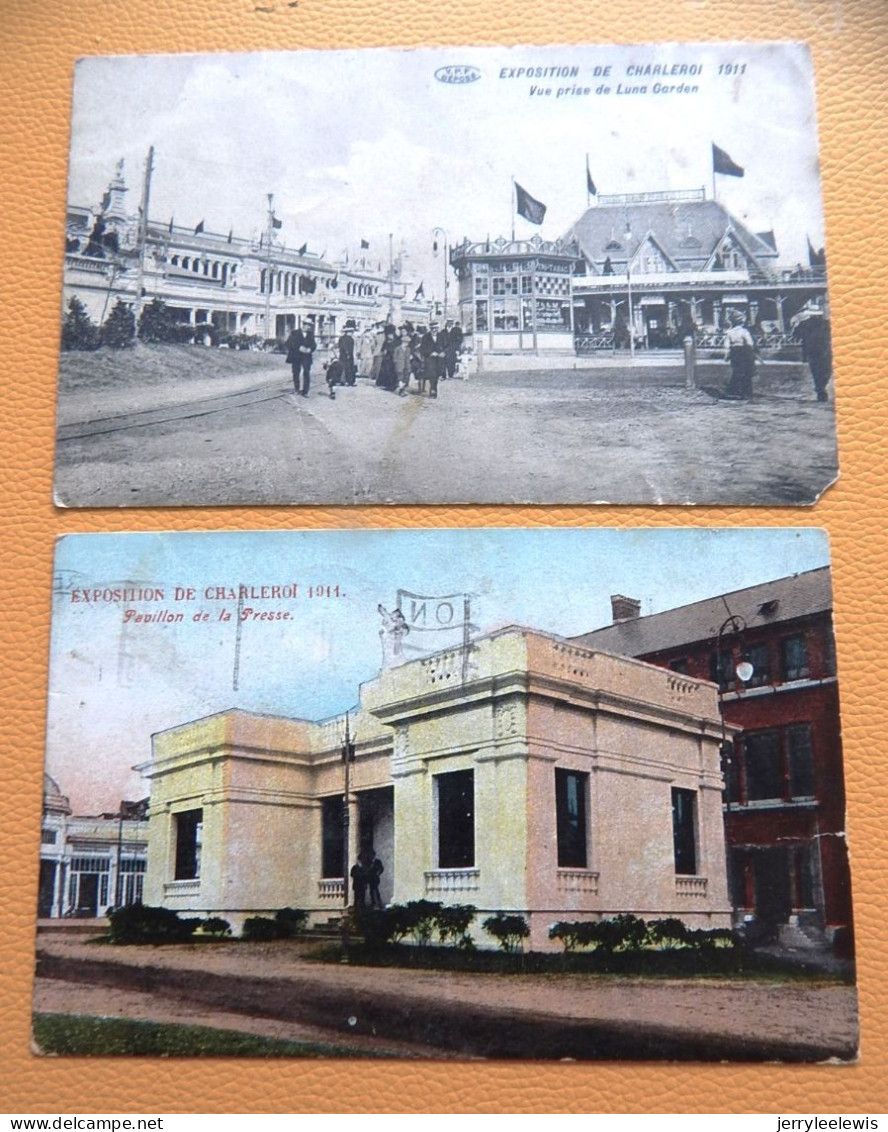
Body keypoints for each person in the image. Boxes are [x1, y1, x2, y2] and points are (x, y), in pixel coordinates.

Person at [791, 300, 833, 402]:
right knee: (827, 369)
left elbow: (795, 336)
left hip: (811, 350)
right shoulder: (827, 323)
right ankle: (822, 386)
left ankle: (819, 389)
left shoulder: (803, 324)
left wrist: (795, 325)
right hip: (826, 349)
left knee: (815, 370)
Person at [722, 308, 757, 399]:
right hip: (744, 352)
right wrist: (752, 352)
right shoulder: (744, 332)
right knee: (746, 372)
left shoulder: (729, 333)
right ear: (742, 322)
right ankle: (746, 393)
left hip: (734, 352)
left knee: (736, 371)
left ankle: (734, 391)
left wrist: (726, 355)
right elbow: (750, 343)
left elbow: (726, 345)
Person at [285, 317, 317, 397]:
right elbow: (288, 343)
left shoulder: (310, 334)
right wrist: (298, 348)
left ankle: (305, 391)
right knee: (296, 372)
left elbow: (314, 345)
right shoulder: (295, 333)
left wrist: (310, 349)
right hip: (296, 356)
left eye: (310, 325)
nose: (309, 327)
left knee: (306, 372)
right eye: (308, 325)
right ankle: (297, 388)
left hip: (306, 357)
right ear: (304, 325)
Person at [420, 322, 445, 398]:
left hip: (439, 359)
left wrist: (443, 352)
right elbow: (422, 349)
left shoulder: (441, 336)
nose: (434, 330)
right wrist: (430, 353)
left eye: (436, 328)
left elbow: (447, 346)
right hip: (430, 359)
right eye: (432, 328)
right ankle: (433, 390)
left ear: (438, 329)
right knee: (432, 373)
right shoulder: (425, 337)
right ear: (430, 329)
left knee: (437, 373)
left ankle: (434, 387)